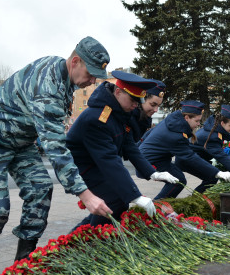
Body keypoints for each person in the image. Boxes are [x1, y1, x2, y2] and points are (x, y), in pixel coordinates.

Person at [0, 36, 113, 275]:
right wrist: (86, 195)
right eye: (91, 73)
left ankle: (25, 258)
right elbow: (55, 146)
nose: (92, 81)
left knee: (41, 188)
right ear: (75, 62)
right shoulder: (48, 86)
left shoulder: (64, 78)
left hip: (20, 143)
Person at [66, 71, 178, 227]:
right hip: (82, 167)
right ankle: (84, 241)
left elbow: (129, 146)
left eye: (138, 101)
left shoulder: (118, 112)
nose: (135, 105)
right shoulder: (98, 117)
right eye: (133, 100)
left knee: (116, 202)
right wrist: (136, 196)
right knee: (114, 201)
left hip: (97, 164)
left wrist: (152, 173)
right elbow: (108, 160)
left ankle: (88, 237)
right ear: (118, 92)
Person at [139, 100, 230, 200]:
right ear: (187, 118)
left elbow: (148, 134)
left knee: (178, 179)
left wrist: (138, 147)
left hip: (157, 158)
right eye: (197, 121)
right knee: (178, 181)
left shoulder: (173, 122)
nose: (198, 124)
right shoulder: (176, 134)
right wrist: (218, 173)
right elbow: (190, 156)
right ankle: (158, 207)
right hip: (149, 161)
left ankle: (163, 206)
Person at [183, 104, 230, 193]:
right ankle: (196, 198)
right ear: (222, 123)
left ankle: (198, 198)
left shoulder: (217, 129)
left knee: (212, 177)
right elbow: (220, 154)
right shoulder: (212, 135)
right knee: (212, 176)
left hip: (201, 157)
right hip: (188, 160)